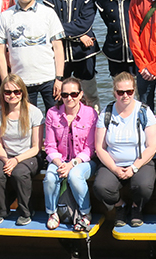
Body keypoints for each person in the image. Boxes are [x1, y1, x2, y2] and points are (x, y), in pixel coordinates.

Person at [93, 72, 156, 228]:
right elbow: (99, 148)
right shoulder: (106, 113)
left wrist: (134, 167)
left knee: (143, 186)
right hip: (114, 162)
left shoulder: (144, 112)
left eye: (129, 91)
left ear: (134, 91)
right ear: (114, 92)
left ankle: (137, 207)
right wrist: (115, 169)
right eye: (120, 92)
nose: (125, 96)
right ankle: (120, 206)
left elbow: (152, 146)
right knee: (101, 187)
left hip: (141, 161)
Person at [0, 0, 65, 111]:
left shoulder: (48, 13)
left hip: (49, 79)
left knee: (57, 119)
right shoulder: (5, 16)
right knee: (26, 124)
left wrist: (59, 78)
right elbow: (0, 52)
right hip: (20, 82)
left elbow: (58, 48)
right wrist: (5, 82)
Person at [44, 0, 101, 107]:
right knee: (61, 96)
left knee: (90, 95)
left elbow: (84, 24)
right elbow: (49, 27)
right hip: (62, 55)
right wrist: (79, 36)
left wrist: (74, 32)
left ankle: (94, 125)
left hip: (84, 53)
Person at [0, 74, 44, 226]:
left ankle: (26, 211)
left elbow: (36, 147)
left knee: (20, 173)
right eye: (8, 92)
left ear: (22, 92)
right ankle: (1, 210)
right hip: (5, 155)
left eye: (16, 92)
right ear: (3, 94)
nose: (12, 95)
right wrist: (7, 161)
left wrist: (16, 160)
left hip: (28, 156)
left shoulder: (34, 113)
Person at [43, 78, 98, 231]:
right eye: (65, 94)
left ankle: (85, 213)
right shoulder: (52, 114)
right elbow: (49, 146)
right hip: (59, 160)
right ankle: (52, 212)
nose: (69, 98)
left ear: (81, 94)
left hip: (83, 161)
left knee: (75, 175)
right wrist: (59, 163)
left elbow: (90, 148)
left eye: (73, 94)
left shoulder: (90, 113)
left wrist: (72, 164)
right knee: (50, 177)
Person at [96, 0, 138, 77]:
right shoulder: (102, 1)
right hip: (115, 54)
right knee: (120, 91)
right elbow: (108, 23)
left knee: (140, 92)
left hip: (137, 52)